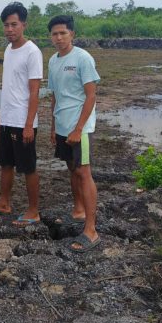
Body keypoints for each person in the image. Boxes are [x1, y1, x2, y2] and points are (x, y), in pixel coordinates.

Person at [0, 1, 43, 226]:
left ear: (23, 24)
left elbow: (34, 91)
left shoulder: (32, 52)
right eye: (6, 25)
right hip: (8, 119)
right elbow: (10, 87)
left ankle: (33, 211)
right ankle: (4, 203)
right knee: (6, 163)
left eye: (14, 24)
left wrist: (28, 125)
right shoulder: (8, 49)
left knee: (28, 167)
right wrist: (1, 116)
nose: (9, 29)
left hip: (23, 121)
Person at [47, 15, 101, 252]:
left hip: (80, 128)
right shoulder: (52, 61)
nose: (59, 38)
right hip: (62, 126)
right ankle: (78, 211)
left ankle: (91, 229)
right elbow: (55, 96)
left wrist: (79, 129)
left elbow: (91, 95)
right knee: (71, 168)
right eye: (54, 34)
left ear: (72, 34)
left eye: (63, 33)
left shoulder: (82, 58)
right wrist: (53, 125)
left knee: (84, 172)